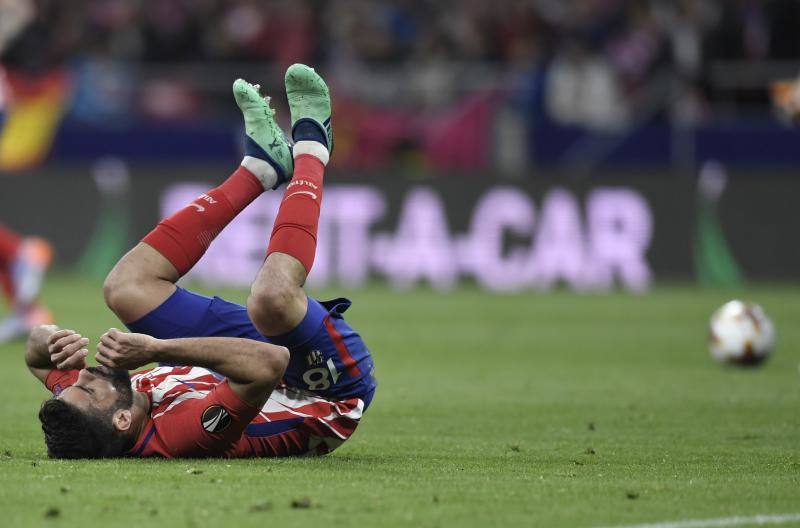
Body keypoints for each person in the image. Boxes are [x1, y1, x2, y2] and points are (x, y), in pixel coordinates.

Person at [24, 64, 377, 459]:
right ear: (122, 421)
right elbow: (271, 361)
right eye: (87, 387)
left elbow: (35, 356)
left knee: (125, 289)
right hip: (324, 385)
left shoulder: (93, 406)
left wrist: (50, 339)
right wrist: (158, 348)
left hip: (234, 362)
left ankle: (260, 168)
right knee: (271, 300)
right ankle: (313, 147)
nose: (85, 374)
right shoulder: (183, 435)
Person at [0, 225, 52, 343]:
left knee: (24, 298)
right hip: (13, 263)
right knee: (21, 303)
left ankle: (36, 325)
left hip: (27, 257)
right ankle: (30, 324)